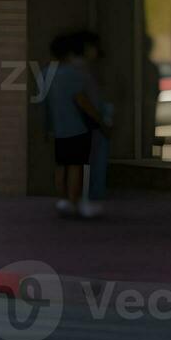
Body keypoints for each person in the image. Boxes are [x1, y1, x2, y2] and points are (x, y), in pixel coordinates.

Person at [44, 30, 111, 218]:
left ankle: (64, 199)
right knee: (76, 165)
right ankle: (74, 201)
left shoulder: (48, 73)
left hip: (59, 126)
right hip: (77, 126)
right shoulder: (73, 74)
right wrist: (99, 119)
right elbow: (82, 100)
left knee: (61, 164)